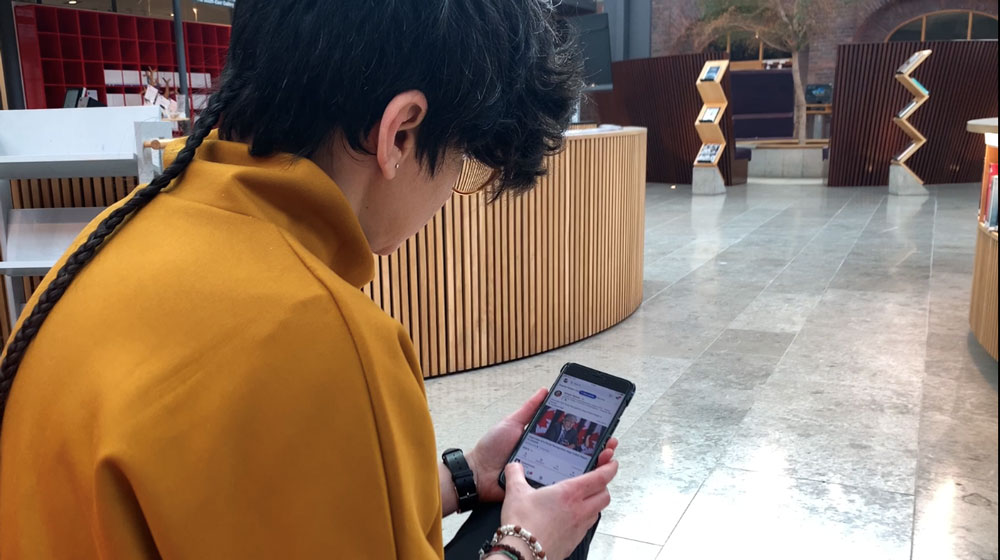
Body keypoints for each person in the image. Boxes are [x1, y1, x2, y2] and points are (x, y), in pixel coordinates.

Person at [0, 1, 620, 559]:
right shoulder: (320, 339)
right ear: (400, 132)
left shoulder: (108, 236)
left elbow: (234, 510)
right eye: (460, 163)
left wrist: (465, 473)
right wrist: (525, 544)